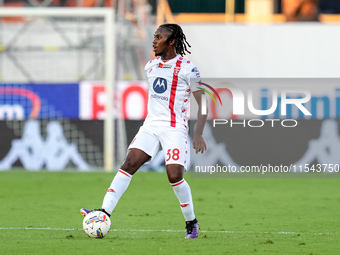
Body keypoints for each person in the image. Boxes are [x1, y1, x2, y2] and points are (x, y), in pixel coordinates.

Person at [81, 23, 207, 239]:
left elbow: (202, 102)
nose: (154, 40)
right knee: (129, 164)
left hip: (174, 127)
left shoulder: (188, 68)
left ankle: (191, 222)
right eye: (154, 36)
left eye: (159, 37)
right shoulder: (150, 66)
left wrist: (198, 133)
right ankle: (103, 212)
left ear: (172, 41)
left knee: (174, 175)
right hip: (151, 125)